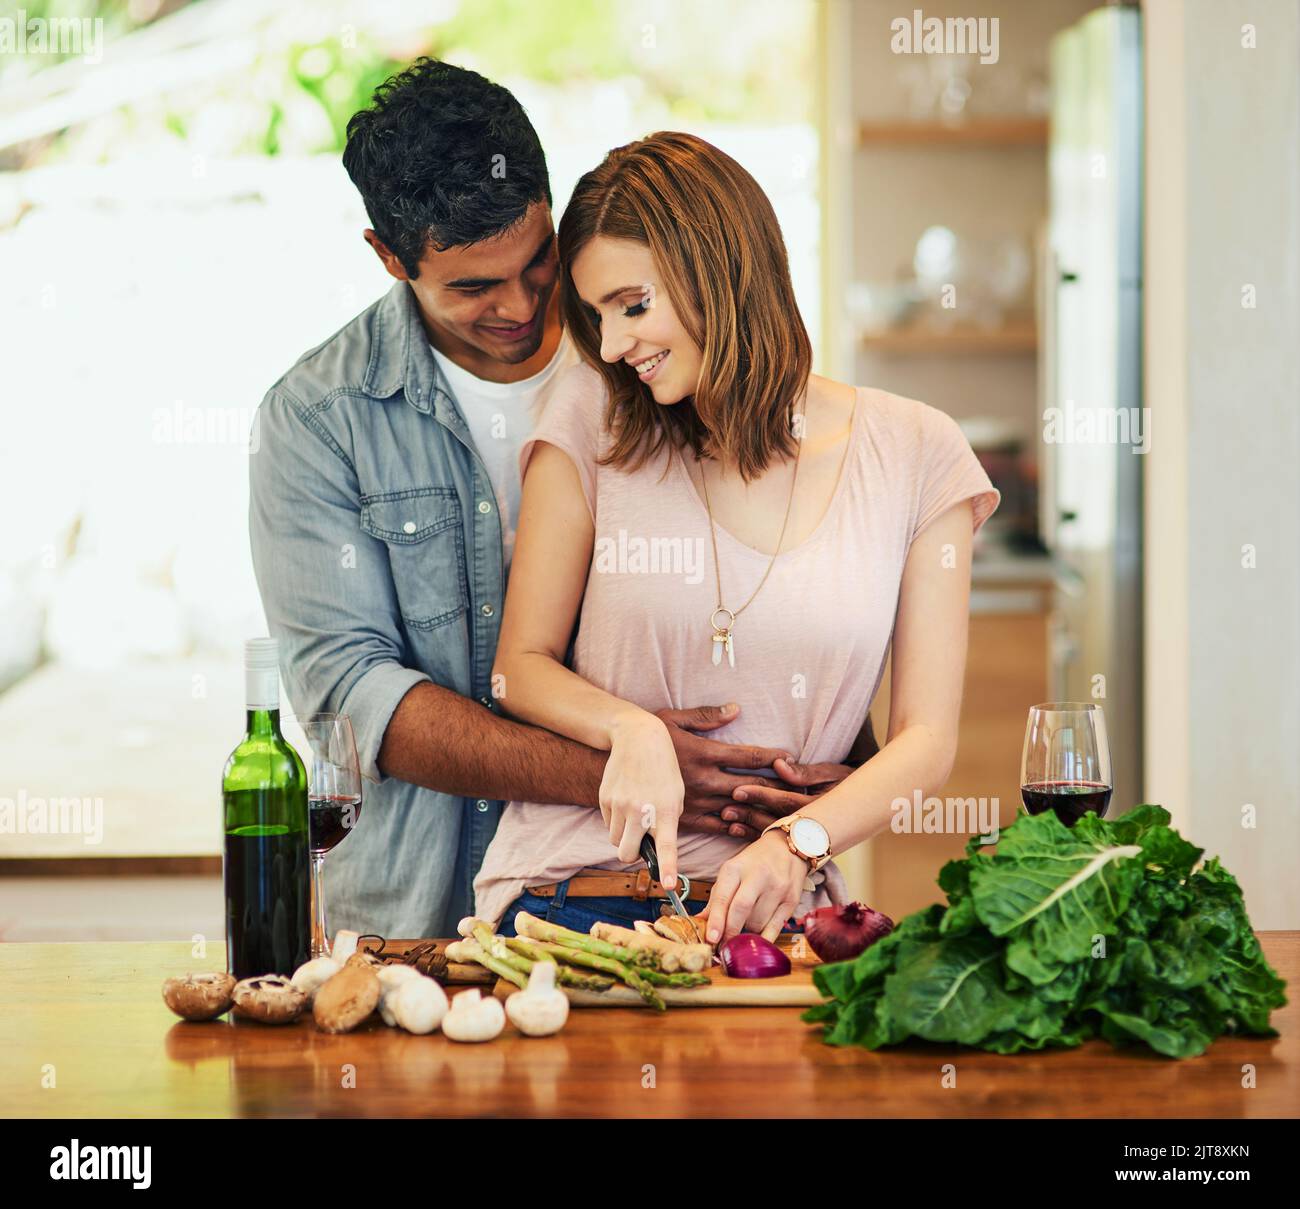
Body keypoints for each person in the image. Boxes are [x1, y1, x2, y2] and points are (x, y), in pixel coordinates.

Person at [248, 63, 868, 939]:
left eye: (537, 261)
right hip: (416, 917)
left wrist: (843, 761)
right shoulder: (318, 419)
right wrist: (627, 760)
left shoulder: (651, 358)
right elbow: (353, 695)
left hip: (662, 902)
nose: (520, 304)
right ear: (389, 259)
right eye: (471, 286)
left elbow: (777, 585)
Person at [476, 132, 1000, 943]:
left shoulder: (917, 453)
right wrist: (632, 727)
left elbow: (926, 740)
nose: (613, 344)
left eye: (633, 304)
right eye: (597, 315)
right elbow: (520, 669)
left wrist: (801, 839)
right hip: (577, 896)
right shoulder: (593, 414)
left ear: (717, 270)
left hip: (783, 912)